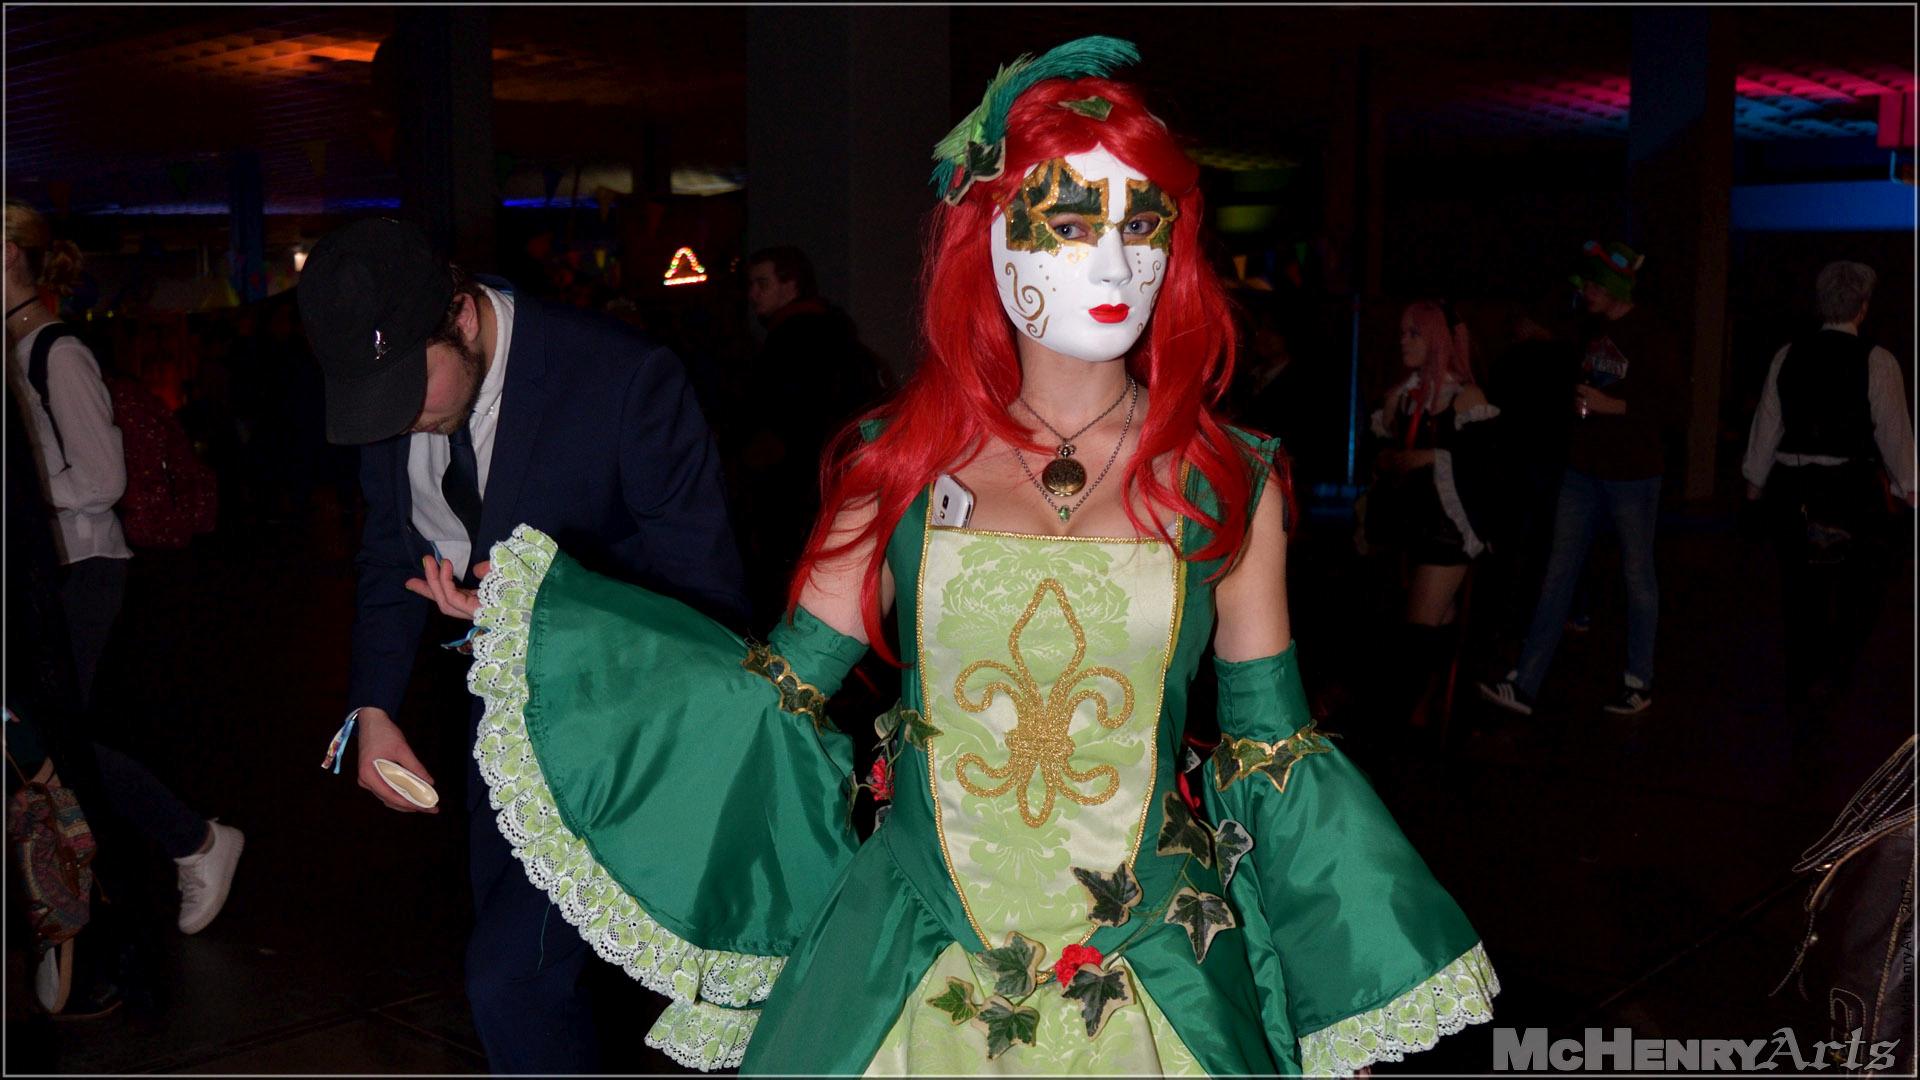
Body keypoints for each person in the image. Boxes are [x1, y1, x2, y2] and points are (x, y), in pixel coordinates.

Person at [422, 39, 1496, 1075]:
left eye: (1142, 223)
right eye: (1069, 222)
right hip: (908, 954)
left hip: (1155, 968)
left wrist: (1334, 1003)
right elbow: (778, 692)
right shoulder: (897, 467)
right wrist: (553, 631)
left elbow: (1271, 749)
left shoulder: (1227, 477)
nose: (1115, 260)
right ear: (991, 238)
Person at [297, 216, 750, 1074]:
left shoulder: (622, 379)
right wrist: (373, 707)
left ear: (462, 316)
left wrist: (542, 621)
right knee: (525, 985)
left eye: (408, 391)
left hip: (626, 737)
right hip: (498, 730)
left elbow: (708, 605)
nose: (402, 423)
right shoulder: (399, 401)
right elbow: (390, 554)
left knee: (512, 982)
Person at [4, 201, 242, 937]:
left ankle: (194, 841)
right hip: (55, 567)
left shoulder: (55, 352)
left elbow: (103, 479)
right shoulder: (24, 350)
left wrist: (22, 499)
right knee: (40, 733)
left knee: (50, 735)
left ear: (10, 254)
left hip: (82, 566)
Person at [1479, 241, 1684, 718]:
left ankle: (1638, 682)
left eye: (1594, 285)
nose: (1586, 292)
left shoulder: (1651, 332)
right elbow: (1560, 347)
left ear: (1615, 287)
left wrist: (1616, 406)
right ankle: (1524, 684)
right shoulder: (1588, 329)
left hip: (1633, 475)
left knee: (1637, 577)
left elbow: (1674, 408)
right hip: (1582, 471)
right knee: (1558, 573)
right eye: (1585, 284)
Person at [1741, 261, 1914, 706]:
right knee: (1861, 585)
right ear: (1862, 307)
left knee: (1800, 586)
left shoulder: (1788, 353)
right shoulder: (1878, 360)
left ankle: (1806, 675)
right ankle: (1835, 669)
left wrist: (1754, 483)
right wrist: (1909, 487)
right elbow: (1893, 432)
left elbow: (1768, 423)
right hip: (1849, 488)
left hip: (1793, 486)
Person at [1360, 300, 1500, 734]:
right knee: (1428, 624)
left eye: (1414, 333)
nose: (1403, 341)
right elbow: (1377, 454)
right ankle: (1432, 711)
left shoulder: (1466, 398)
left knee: (1419, 629)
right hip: (1410, 528)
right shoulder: (1403, 397)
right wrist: (1388, 458)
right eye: (1402, 333)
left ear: (1437, 339)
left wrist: (1430, 457)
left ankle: (1404, 719)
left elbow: (1486, 471)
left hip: (1448, 533)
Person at [739, 246, 888, 622]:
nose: (753, 294)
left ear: (791, 286)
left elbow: (780, 426)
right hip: (835, 486)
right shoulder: (834, 335)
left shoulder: (792, 341)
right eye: (751, 284)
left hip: (799, 495)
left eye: (762, 283)